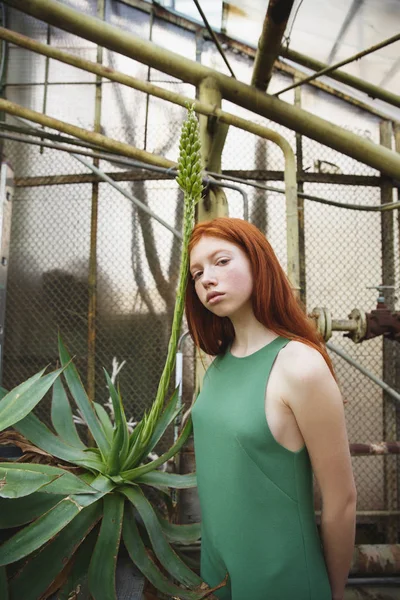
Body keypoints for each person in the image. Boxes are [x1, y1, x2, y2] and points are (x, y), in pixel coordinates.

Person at [184, 217, 357, 600]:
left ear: (257, 261)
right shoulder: (218, 367)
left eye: (222, 261)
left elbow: (341, 499)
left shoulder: (300, 365)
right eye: (197, 273)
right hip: (216, 578)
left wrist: (334, 593)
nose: (206, 279)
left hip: (285, 583)